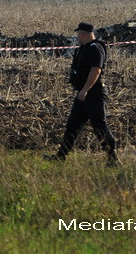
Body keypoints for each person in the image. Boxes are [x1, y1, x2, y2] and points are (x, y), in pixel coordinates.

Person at [48, 22, 117, 164]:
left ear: (83, 34)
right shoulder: (85, 48)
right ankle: (61, 156)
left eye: (78, 34)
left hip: (93, 93)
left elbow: (96, 70)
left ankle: (113, 159)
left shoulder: (95, 49)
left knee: (99, 126)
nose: (77, 36)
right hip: (83, 94)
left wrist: (85, 90)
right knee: (72, 125)